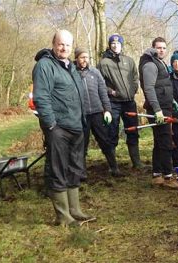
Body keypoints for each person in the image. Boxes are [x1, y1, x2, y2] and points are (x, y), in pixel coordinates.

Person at [32, 30, 95, 227]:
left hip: (76, 126)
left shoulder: (71, 67)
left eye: (68, 45)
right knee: (57, 170)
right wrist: (51, 125)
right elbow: (41, 97)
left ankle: (74, 209)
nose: (64, 48)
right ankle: (63, 216)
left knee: (75, 168)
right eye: (60, 44)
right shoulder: (45, 66)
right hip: (58, 128)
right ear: (53, 43)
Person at [139, 37, 178, 189]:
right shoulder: (150, 65)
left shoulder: (160, 64)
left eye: (164, 48)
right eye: (158, 47)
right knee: (166, 141)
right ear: (153, 48)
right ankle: (167, 177)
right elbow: (149, 88)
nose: (161, 50)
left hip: (165, 106)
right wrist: (157, 109)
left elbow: (163, 85)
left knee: (160, 141)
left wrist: (172, 99)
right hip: (158, 108)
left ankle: (157, 174)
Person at [98, 34, 144, 173]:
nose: (115, 45)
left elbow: (135, 78)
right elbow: (99, 83)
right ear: (109, 45)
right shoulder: (103, 63)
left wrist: (133, 89)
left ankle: (137, 162)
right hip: (113, 103)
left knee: (133, 130)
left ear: (121, 45)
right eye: (112, 43)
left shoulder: (129, 61)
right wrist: (111, 92)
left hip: (129, 102)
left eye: (118, 43)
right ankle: (113, 166)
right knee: (112, 132)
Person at [74, 48, 115, 177]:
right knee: (82, 144)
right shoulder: (72, 73)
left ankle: (114, 167)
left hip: (97, 113)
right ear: (76, 59)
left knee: (105, 140)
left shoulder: (95, 72)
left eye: (86, 57)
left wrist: (107, 110)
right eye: (82, 57)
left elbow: (103, 92)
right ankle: (81, 172)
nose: (85, 60)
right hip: (82, 115)